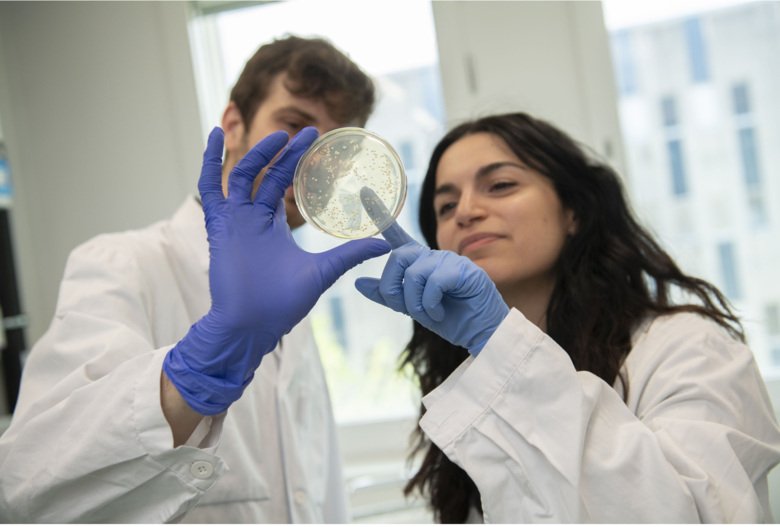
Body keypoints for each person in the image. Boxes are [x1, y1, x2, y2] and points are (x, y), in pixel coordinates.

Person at [0, 36, 390, 522]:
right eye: (293, 126)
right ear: (233, 124)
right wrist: (194, 375)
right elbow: (25, 483)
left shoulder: (294, 302)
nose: (313, 163)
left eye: (335, 152)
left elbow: (316, 491)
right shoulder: (124, 264)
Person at [355, 112, 780, 522]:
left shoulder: (690, 350)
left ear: (573, 212)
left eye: (500, 185)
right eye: (446, 207)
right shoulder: (464, 381)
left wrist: (500, 345)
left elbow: (686, 515)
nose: (465, 211)